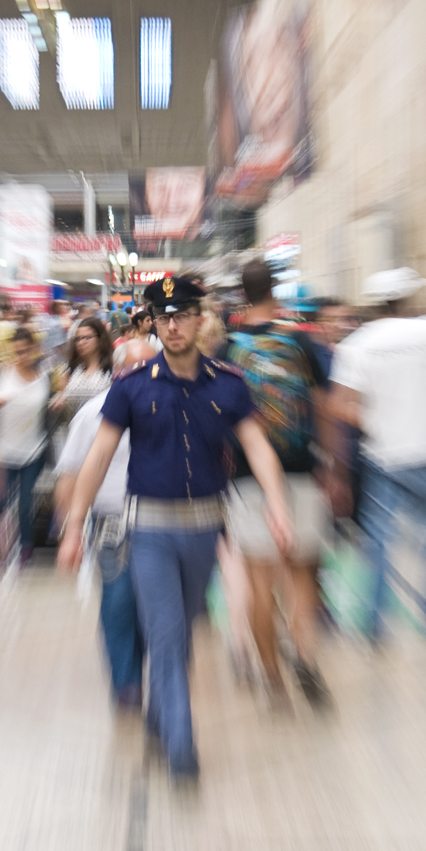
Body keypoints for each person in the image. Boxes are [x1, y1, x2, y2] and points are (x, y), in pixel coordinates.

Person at [58, 275, 294, 784]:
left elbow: (256, 446)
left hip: (205, 530)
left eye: (182, 314)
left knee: (181, 631)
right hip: (148, 532)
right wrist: (75, 525)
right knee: (164, 633)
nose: (173, 324)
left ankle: (162, 710)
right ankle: (181, 743)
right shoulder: (131, 387)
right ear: (155, 322)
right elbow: (97, 458)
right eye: (163, 316)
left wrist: (277, 504)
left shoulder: (229, 384)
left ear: (199, 318)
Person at [329, 267, 426, 647]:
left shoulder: (359, 342)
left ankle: (375, 625)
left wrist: (376, 420)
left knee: (379, 541)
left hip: (383, 456)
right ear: (409, 299)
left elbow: (339, 405)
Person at [223, 260, 338, 707]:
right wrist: (331, 465)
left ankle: (271, 678)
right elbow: (324, 409)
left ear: (241, 293)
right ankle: (305, 657)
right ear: (275, 290)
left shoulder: (227, 348)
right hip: (301, 472)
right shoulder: (301, 343)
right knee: (303, 573)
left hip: (247, 479)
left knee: (258, 584)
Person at [55, 387, 142, 709]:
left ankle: (145, 673)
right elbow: (70, 473)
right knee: (118, 599)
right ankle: (126, 683)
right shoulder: (93, 412)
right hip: (110, 520)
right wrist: (70, 531)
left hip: (160, 518)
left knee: (152, 601)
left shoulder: (168, 401)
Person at [0, 327, 52, 565]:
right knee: (0, 504)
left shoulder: (45, 376)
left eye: (26, 351)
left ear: (34, 350)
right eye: (17, 352)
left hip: (33, 450)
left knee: (25, 503)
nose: (21, 356)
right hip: (3, 451)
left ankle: (25, 547)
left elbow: (49, 409)